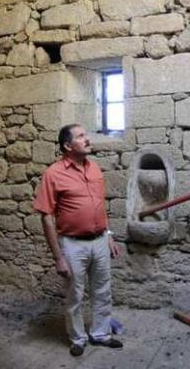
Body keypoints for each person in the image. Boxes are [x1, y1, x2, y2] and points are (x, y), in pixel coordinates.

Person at [33, 124, 123, 357]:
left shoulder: (94, 169)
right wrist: (58, 257)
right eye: (81, 136)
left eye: (86, 135)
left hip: (100, 240)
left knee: (103, 290)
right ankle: (78, 338)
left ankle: (101, 334)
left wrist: (109, 235)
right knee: (75, 294)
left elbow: (99, 207)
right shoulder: (53, 174)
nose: (87, 139)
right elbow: (46, 217)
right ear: (67, 145)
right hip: (72, 244)